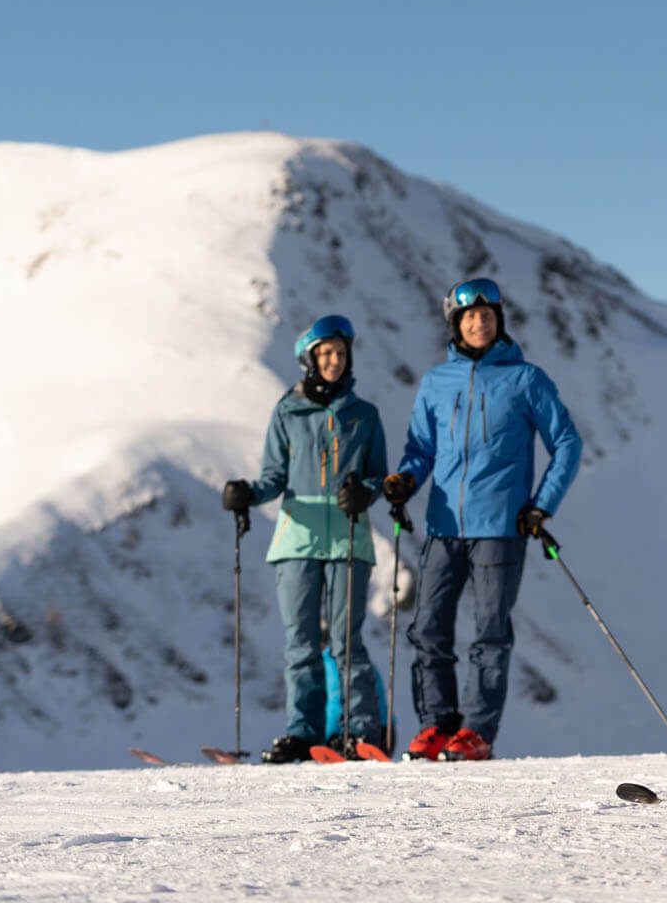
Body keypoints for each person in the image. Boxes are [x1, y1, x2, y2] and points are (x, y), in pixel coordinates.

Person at [387, 277, 583, 762]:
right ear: (455, 323)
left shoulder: (526, 380)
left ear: (500, 321)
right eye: (470, 316)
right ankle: (437, 724)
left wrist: (541, 505)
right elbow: (421, 449)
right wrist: (406, 481)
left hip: (501, 527)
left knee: (489, 632)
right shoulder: (436, 382)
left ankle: (476, 730)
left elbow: (567, 444)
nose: (480, 322)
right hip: (443, 526)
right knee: (429, 628)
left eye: (488, 315)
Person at [222, 314, 391, 763]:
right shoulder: (288, 412)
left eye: (340, 353)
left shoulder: (364, 415)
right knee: (299, 640)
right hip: (297, 534)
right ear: (310, 361)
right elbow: (274, 477)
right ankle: (304, 731)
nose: (335, 361)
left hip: (349, 536)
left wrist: (367, 491)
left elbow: (378, 475)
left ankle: (359, 731)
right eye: (326, 354)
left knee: (345, 639)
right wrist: (247, 494)